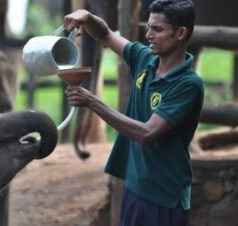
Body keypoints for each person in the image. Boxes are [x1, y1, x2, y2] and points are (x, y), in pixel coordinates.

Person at [64, 1, 204, 226]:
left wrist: (91, 101)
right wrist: (87, 16)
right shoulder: (145, 59)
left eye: (157, 29)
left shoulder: (188, 84)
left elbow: (147, 133)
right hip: (135, 187)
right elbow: (106, 34)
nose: (148, 35)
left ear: (180, 33)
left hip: (164, 196)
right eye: (148, 27)